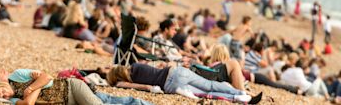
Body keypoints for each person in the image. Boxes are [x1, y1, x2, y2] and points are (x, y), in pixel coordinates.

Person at [106, 63, 262, 103]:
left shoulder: (121, 83)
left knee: (206, 94)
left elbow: (144, 87)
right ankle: (241, 92)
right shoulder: (135, 65)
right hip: (175, 71)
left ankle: (239, 99)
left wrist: (153, 89)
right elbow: (155, 67)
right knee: (209, 84)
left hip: (170, 84)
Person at [0, 68, 150, 105]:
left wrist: (31, 88)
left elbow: (47, 76)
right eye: (1, 97)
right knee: (108, 101)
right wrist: (35, 86)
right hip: (68, 101)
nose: (4, 95)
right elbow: (29, 103)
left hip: (71, 87)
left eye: (2, 92)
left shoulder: (16, 75)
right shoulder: (12, 99)